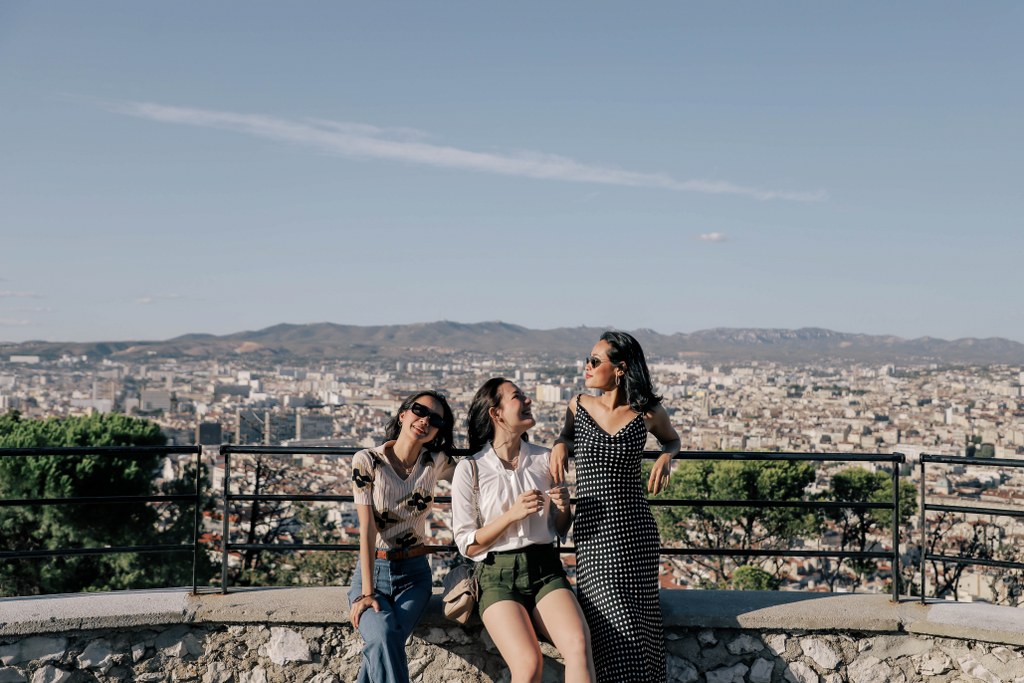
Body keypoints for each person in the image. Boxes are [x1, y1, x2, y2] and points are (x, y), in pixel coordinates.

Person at [550, 331, 681, 683]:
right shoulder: (578, 405)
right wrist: (561, 444)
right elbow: (565, 435)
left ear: (620, 368)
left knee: (637, 625)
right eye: (588, 360)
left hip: (634, 530)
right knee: (608, 623)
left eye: (595, 361)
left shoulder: (647, 412)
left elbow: (672, 439)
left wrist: (666, 457)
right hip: (593, 532)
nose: (587, 367)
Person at [452, 378, 596, 683]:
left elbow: (559, 530)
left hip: (545, 567)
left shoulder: (544, 459)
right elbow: (467, 544)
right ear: (496, 413)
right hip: (496, 576)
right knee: (528, 665)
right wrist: (511, 515)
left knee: (579, 647)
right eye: (518, 397)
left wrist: (564, 507)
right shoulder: (471, 469)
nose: (528, 400)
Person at [348, 390, 456, 683]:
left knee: (384, 643)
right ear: (403, 414)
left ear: (438, 431)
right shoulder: (367, 460)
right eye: (419, 411)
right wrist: (368, 593)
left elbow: (480, 474)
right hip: (374, 572)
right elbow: (367, 528)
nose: (425, 420)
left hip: (415, 576)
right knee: (383, 636)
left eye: (435, 419)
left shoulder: (437, 462)